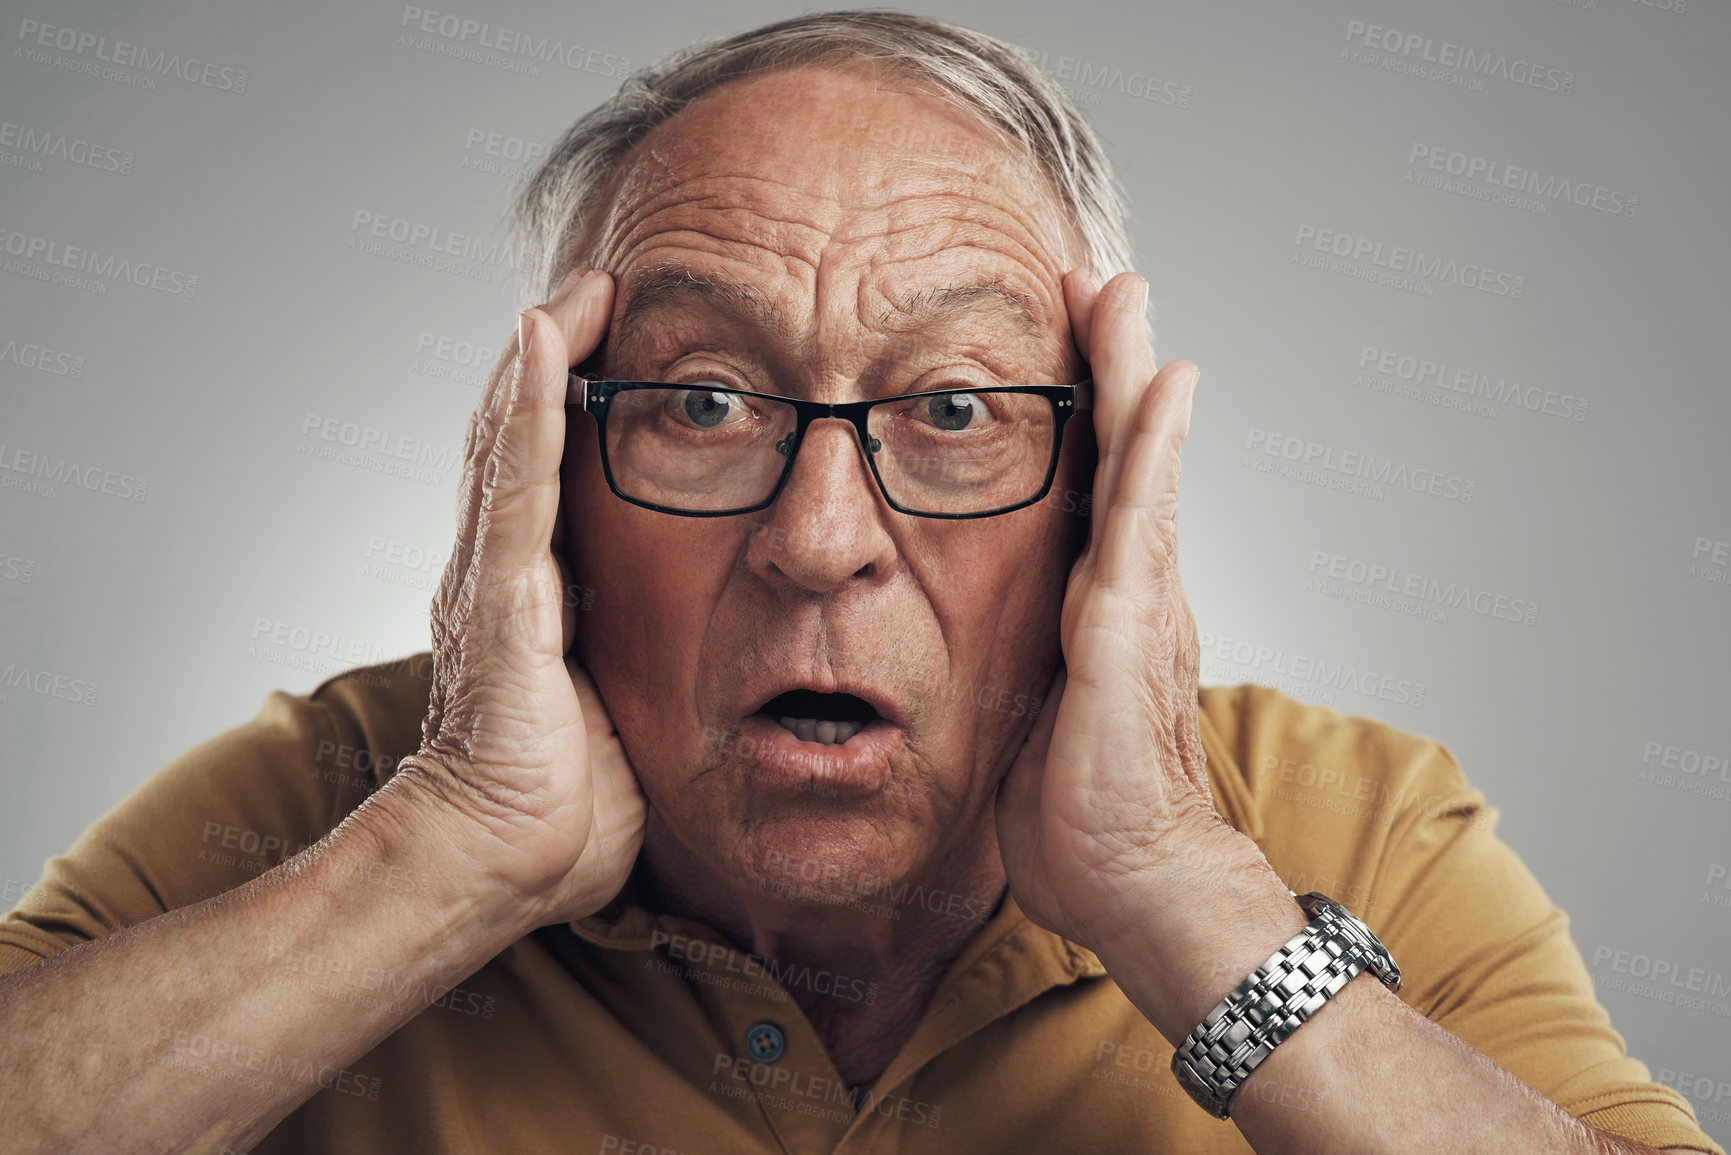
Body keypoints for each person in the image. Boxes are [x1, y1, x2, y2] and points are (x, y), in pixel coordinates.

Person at [0, 11, 1721, 1154]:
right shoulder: (336, 806)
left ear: (1105, 489)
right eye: (699, 401)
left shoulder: (1353, 832)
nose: (821, 536)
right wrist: (444, 857)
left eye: (958, 408)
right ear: (531, 479)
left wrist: (1181, 896)